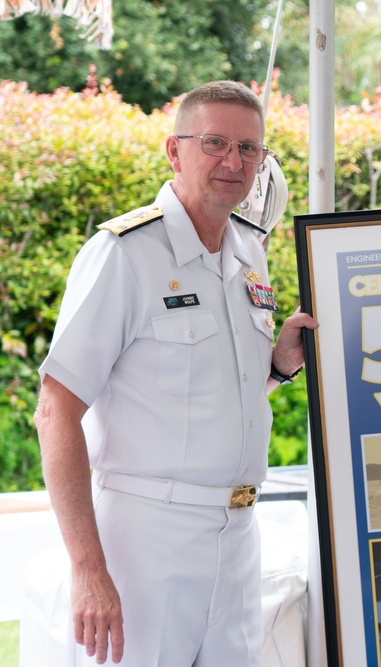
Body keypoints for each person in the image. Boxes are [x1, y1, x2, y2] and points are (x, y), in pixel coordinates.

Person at [33, 80, 318, 666]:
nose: (233, 161)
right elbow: (55, 409)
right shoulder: (124, 253)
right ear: (174, 150)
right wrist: (89, 569)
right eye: (215, 143)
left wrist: (280, 366)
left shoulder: (248, 252)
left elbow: (219, 394)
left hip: (238, 535)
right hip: (145, 539)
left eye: (249, 149)